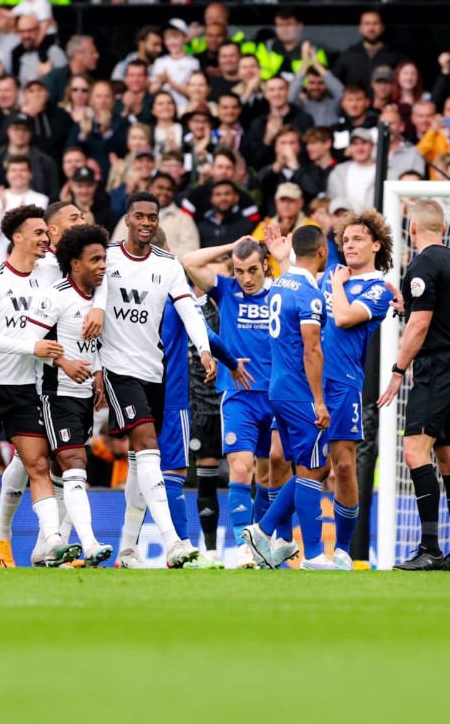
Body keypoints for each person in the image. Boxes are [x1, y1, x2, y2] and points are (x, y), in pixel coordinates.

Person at [92, 192, 215, 568]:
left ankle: (127, 549)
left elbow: (189, 310)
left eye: (152, 217)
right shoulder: (107, 259)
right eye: (140, 216)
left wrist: (204, 349)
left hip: (153, 371)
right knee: (148, 446)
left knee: (138, 459)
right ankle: (173, 542)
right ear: (127, 220)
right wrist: (95, 366)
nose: (146, 222)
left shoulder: (167, 264)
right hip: (118, 368)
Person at [0, 205, 73, 569]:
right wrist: (31, 347)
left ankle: (53, 541)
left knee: (37, 464)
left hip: (27, 388)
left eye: (47, 232)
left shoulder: (51, 273)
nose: (46, 238)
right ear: (18, 238)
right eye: (39, 233)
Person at [377, 199, 450, 571]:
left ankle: (430, 548)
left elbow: (420, 325)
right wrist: (408, 307)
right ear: (444, 228)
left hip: (435, 368)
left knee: (415, 452)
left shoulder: (422, 264)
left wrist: (398, 369)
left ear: (412, 228)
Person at [181, 236, 281, 569]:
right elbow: (190, 262)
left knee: (268, 476)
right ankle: (242, 547)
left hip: (277, 395)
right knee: (241, 468)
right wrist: (232, 245)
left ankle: (262, 542)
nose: (246, 278)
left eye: (252, 269)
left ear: (265, 264)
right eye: (240, 271)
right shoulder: (225, 290)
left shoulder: (281, 292)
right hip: (238, 396)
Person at [21, 224, 115, 568]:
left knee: (64, 476)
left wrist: (98, 374)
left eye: (103, 259)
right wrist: (62, 362)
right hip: (54, 392)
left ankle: (44, 550)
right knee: (75, 464)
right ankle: (89, 543)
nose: (102, 266)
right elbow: (28, 342)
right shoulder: (54, 297)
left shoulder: (96, 299)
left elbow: (93, 344)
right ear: (75, 264)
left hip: (84, 394)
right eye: (95, 260)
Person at [241, 224, 333, 570]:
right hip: (300, 392)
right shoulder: (309, 295)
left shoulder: (280, 284)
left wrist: (282, 259)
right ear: (322, 251)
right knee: (313, 469)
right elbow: (312, 349)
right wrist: (319, 400)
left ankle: (268, 532)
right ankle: (308, 552)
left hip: (277, 389)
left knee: (313, 466)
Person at [317, 211, 397, 569]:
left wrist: (336, 283)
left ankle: (343, 551)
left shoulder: (376, 288)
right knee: (304, 466)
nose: (349, 245)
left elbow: (344, 318)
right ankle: (272, 535)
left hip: (344, 385)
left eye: (358, 239)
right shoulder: (329, 277)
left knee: (344, 467)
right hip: (310, 382)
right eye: (345, 240)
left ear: (376, 245)